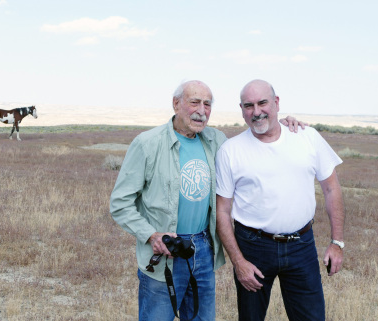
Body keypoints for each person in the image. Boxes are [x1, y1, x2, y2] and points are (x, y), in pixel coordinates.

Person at [110, 80, 302, 321]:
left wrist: (278, 124)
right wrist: (151, 235)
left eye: (207, 104)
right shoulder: (147, 144)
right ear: (176, 104)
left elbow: (250, 142)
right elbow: (120, 203)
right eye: (194, 102)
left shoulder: (216, 140)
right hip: (165, 250)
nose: (201, 110)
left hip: (202, 248)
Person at [215, 79, 345, 321]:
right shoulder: (230, 151)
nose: (256, 112)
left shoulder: (307, 137)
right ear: (241, 109)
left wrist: (337, 242)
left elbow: (331, 189)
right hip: (253, 247)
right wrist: (238, 261)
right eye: (248, 105)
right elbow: (222, 211)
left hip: (301, 245)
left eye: (262, 103)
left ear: (276, 103)